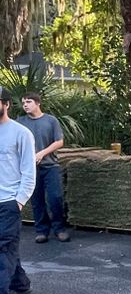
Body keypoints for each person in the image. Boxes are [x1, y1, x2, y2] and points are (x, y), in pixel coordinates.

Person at [0, 86, 35, 294]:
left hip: (9, 202)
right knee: (9, 249)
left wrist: (19, 201)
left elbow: (29, 172)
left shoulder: (21, 133)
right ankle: (20, 284)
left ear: (6, 104)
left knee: (3, 248)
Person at [18, 92, 69, 243]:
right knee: (36, 200)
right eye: (23, 103)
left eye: (28, 102)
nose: (25, 105)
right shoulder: (20, 122)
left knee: (55, 198)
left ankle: (59, 229)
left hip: (51, 166)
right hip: (30, 169)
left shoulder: (51, 120)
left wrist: (41, 153)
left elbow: (59, 142)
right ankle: (41, 231)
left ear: (38, 103)